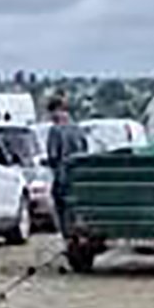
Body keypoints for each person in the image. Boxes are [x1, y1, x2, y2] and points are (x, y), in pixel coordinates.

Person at [45, 95, 88, 235]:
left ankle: (67, 236)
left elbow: (53, 156)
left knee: (62, 207)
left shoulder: (55, 130)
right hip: (79, 177)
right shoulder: (78, 129)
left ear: (56, 110)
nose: (51, 117)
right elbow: (85, 150)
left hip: (63, 177)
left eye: (51, 113)